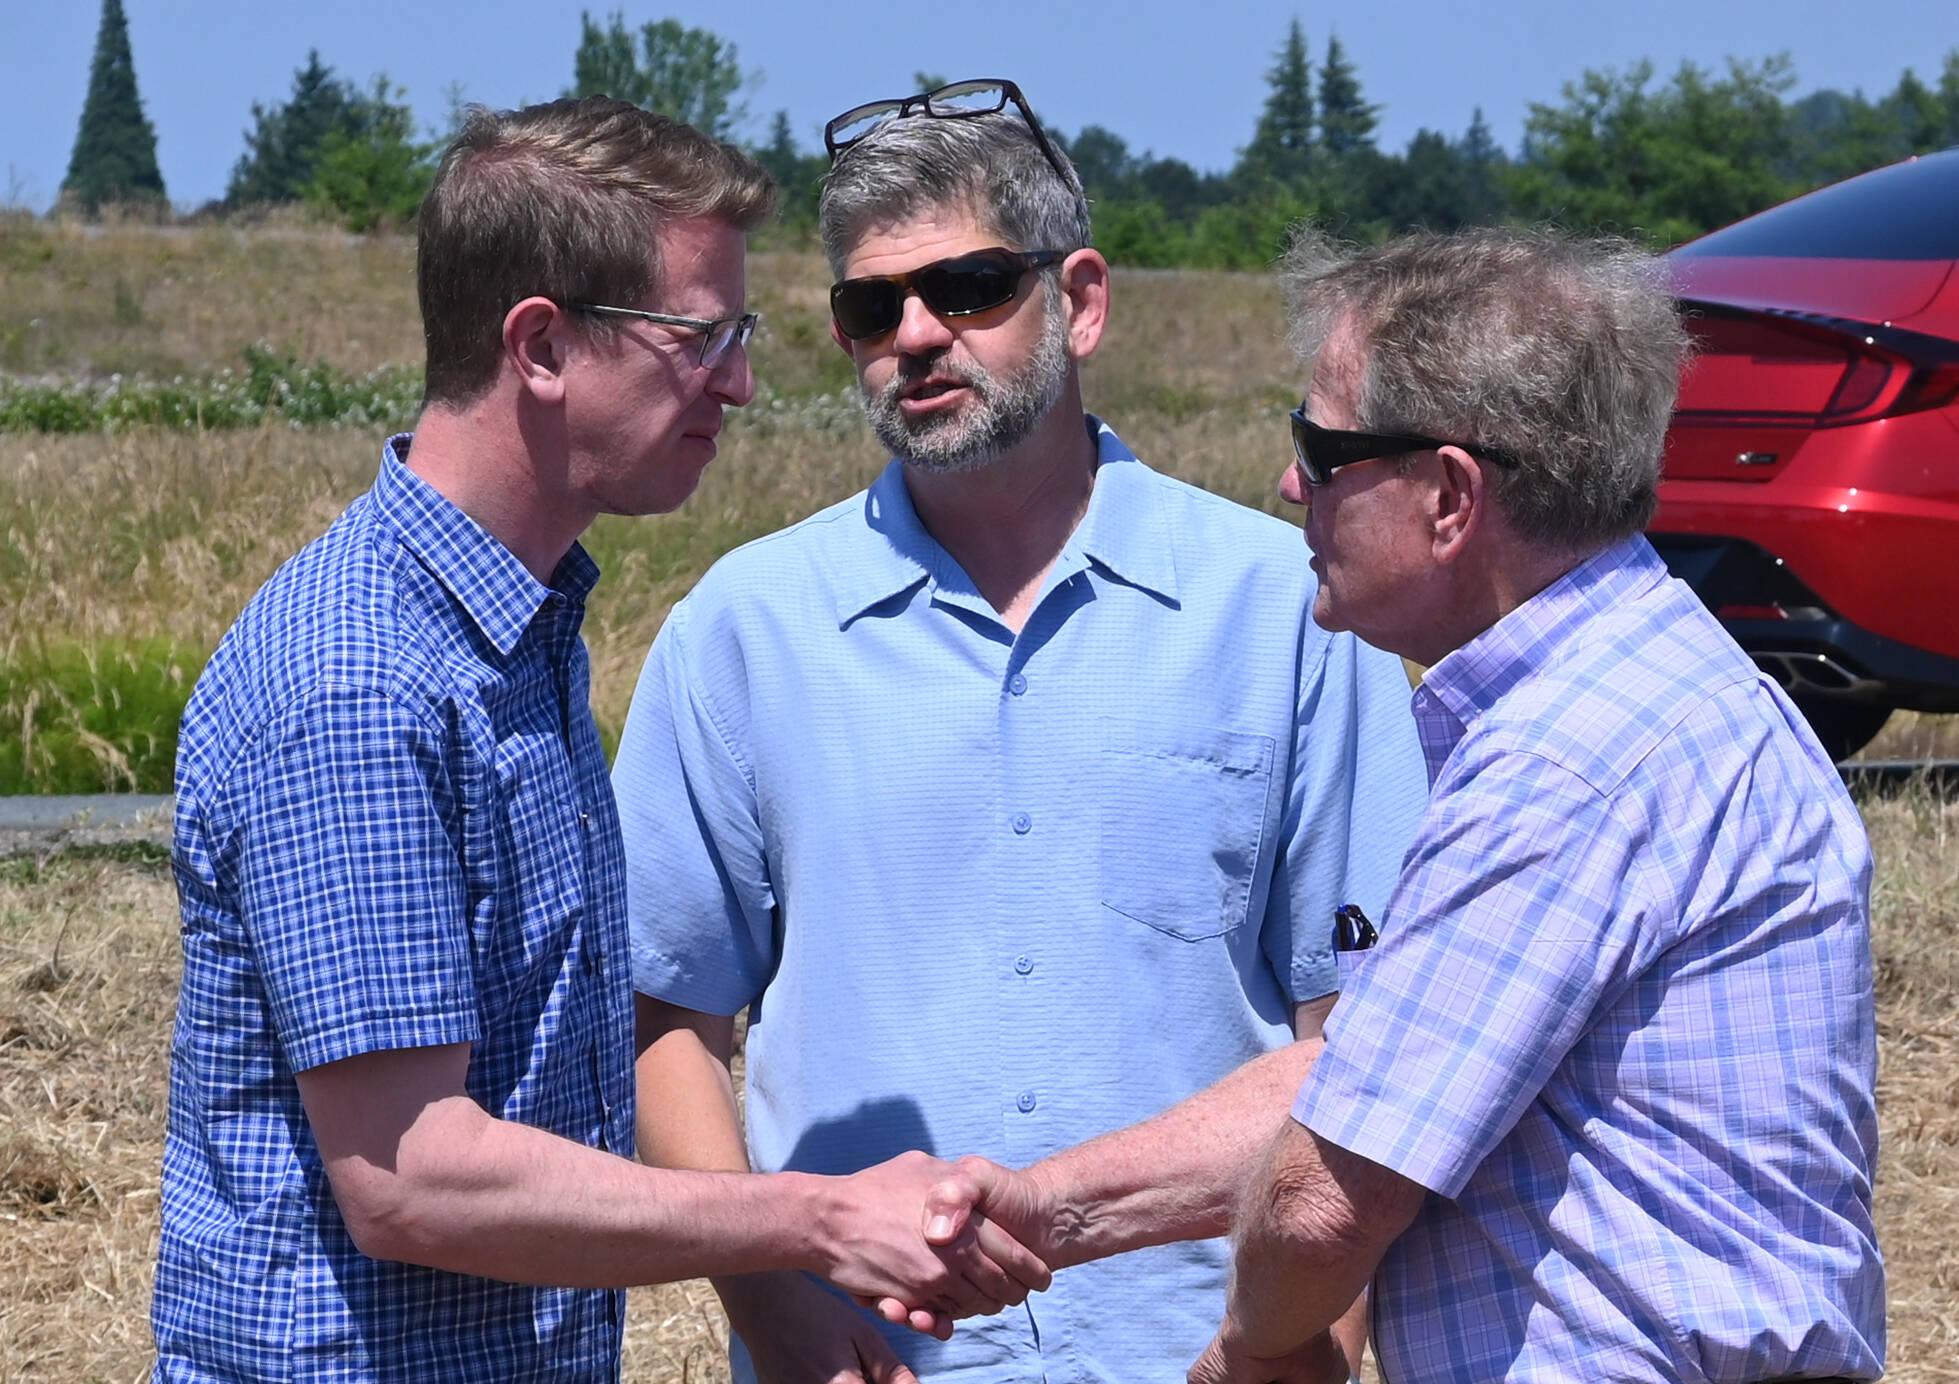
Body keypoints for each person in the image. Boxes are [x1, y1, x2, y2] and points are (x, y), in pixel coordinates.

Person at [152, 97, 1044, 1384]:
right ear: (543, 345)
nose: (739, 379)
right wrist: (821, 1215)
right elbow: (413, 1177)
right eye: (701, 336)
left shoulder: (515, 632)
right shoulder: (360, 681)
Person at [611, 79, 1429, 1384]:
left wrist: (1302, 1338)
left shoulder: (1283, 614)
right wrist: (776, 1307)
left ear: (1081, 300)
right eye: (870, 307)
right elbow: (667, 1015)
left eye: (972, 287)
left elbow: (1369, 1030)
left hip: (1200, 1356)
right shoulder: (742, 631)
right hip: (858, 1362)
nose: (917, 334)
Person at [1188, 227, 1886, 1384]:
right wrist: (1052, 1208)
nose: (1288, 481)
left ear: (1451, 496)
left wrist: (1256, 1348)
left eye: (1320, 445)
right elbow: (1378, 1082)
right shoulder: (1655, 689)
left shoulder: (1562, 766)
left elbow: (1323, 1202)